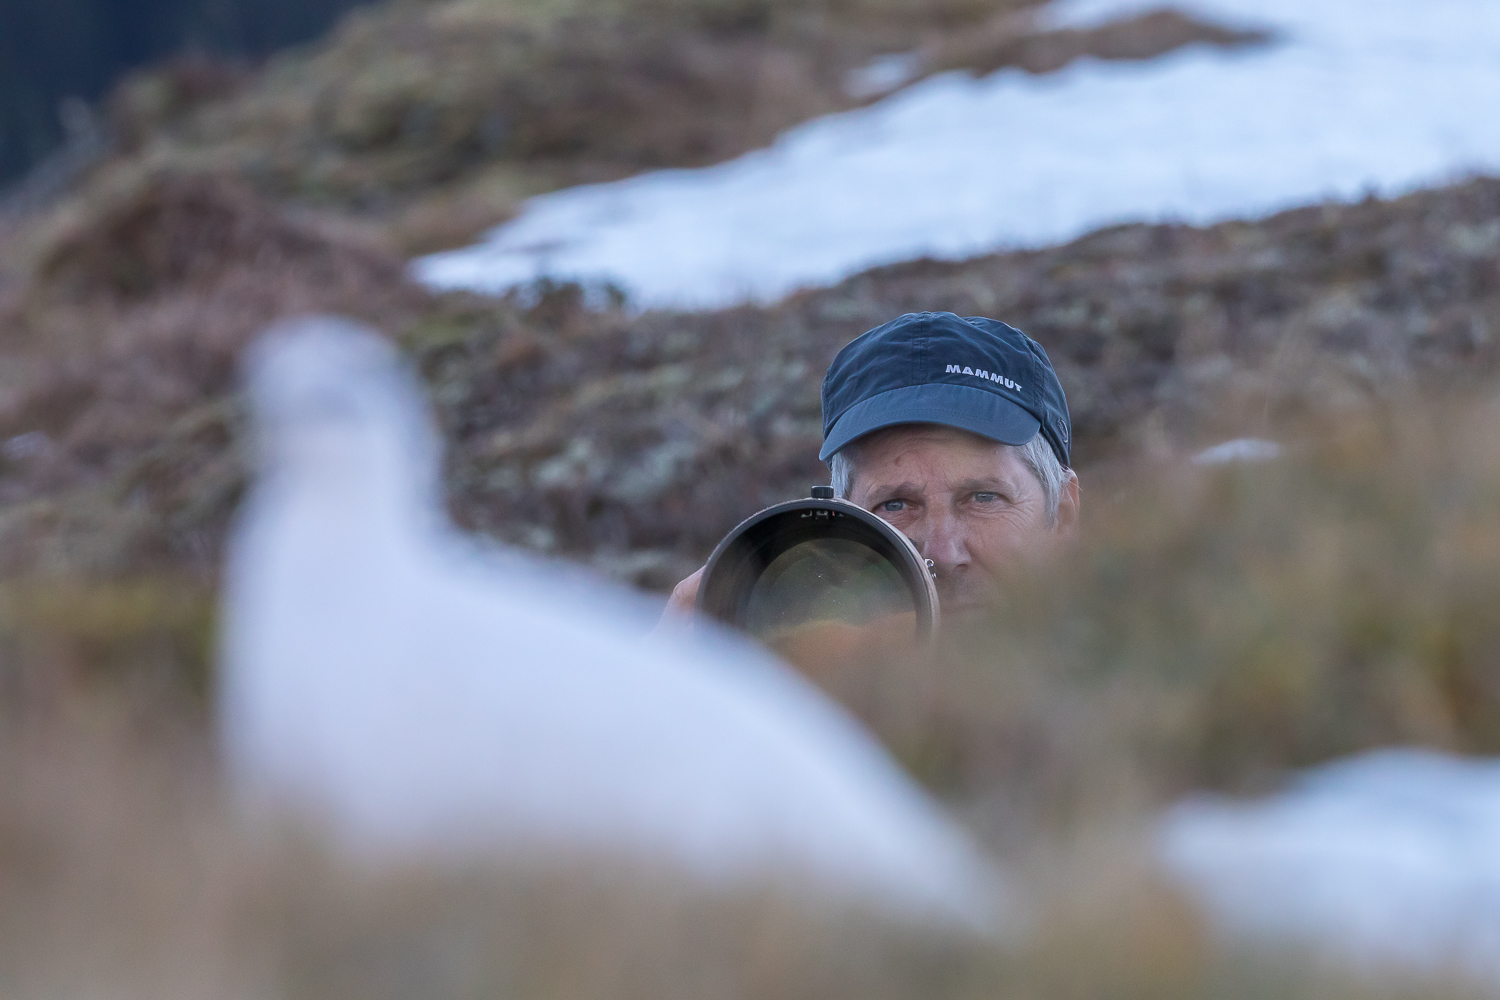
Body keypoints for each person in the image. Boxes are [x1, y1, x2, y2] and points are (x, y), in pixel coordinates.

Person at [661, 311, 1080, 624]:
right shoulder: (803, 705)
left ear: (1062, 515)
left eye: (984, 497)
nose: (942, 554)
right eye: (895, 505)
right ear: (843, 529)